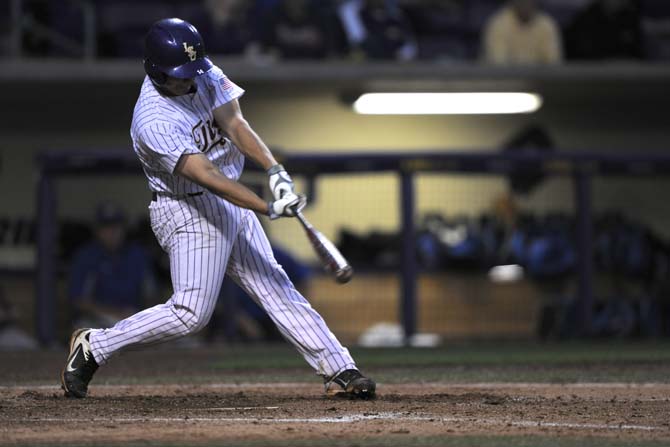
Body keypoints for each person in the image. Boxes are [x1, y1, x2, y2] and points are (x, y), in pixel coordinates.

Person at [60, 18, 375, 400]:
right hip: (188, 211)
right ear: (156, 71)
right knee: (190, 314)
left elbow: (235, 123)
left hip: (230, 198)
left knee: (274, 284)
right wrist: (266, 206)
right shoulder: (152, 119)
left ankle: (339, 369)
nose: (190, 80)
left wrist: (274, 169)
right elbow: (207, 175)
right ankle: (95, 346)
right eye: (180, 75)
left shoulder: (203, 71)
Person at [68, 201, 157, 329]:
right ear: (97, 230)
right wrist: (114, 313)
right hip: (98, 320)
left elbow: (151, 295)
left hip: (134, 317)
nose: (112, 232)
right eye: (106, 227)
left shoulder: (137, 254)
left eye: (116, 226)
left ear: (124, 228)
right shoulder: (86, 256)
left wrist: (143, 316)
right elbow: (79, 301)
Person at [482, 0, 563, 65]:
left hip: (537, 82)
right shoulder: (498, 24)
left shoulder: (547, 25)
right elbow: (500, 66)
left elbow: (554, 64)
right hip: (502, 83)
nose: (526, 3)